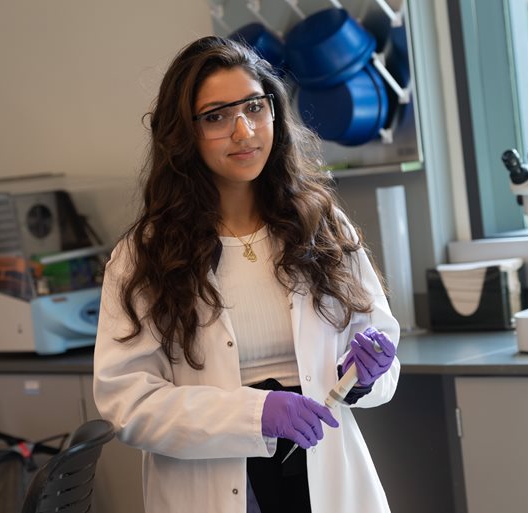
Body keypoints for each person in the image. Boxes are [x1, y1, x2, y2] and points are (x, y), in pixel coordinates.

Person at [93, 35, 401, 513]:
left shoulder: (321, 225)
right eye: (216, 116)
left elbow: (375, 336)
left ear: (274, 112)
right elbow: (128, 405)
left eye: (254, 107)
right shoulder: (146, 254)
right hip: (213, 485)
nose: (244, 131)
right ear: (183, 134)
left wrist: (365, 373)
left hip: (326, 475)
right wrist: (256, 414)